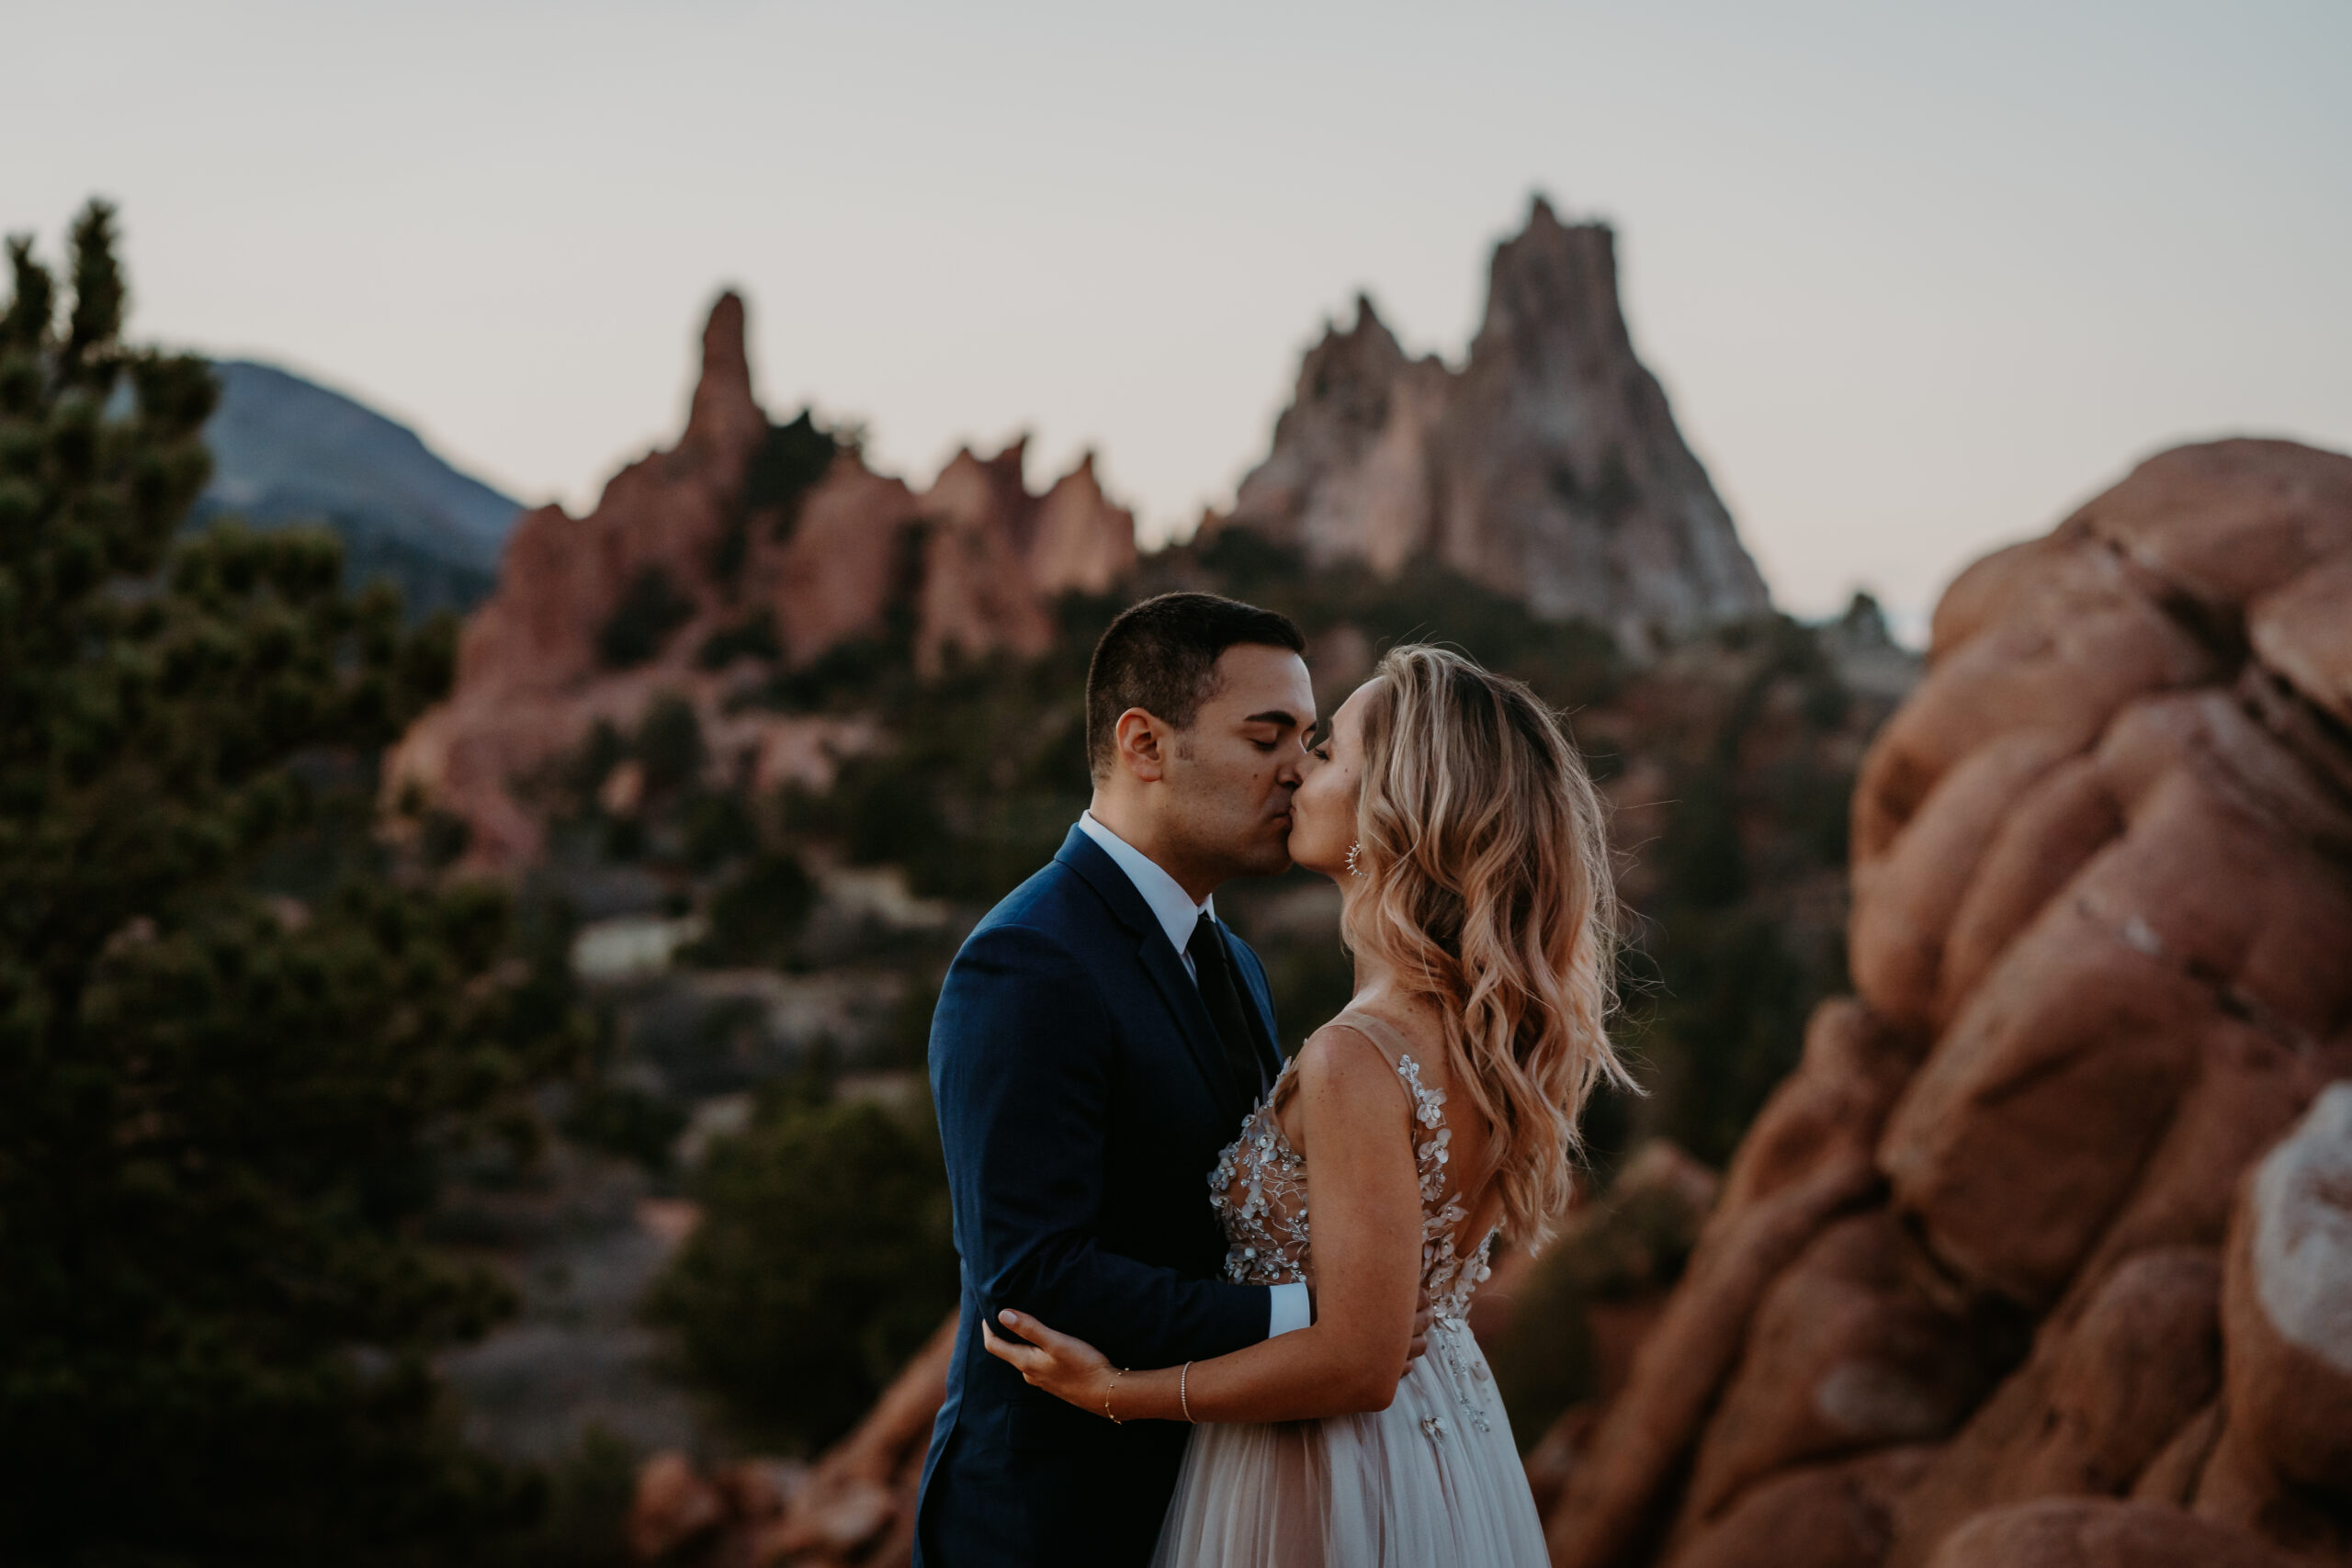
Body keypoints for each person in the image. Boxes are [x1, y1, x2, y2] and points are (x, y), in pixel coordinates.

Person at [981, 643, 1630, 1567]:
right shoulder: (1474, 1038)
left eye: (1326, 753)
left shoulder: (1354, 1058)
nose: (1295, 770)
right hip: (1443, 1447)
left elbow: (1358, 1364)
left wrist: (1122, 1391)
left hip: (1323, 1468)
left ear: (1394, 815)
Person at [920, 592, 1434, 1567]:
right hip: (1056, 1518)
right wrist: (1314, 1316)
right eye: (1264, 735)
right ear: (1145, 745)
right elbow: (1032, 1278)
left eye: (1309, 737)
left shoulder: (1229, 959)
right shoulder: (1027, 962)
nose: (1296, 768)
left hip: (1214, 1489)